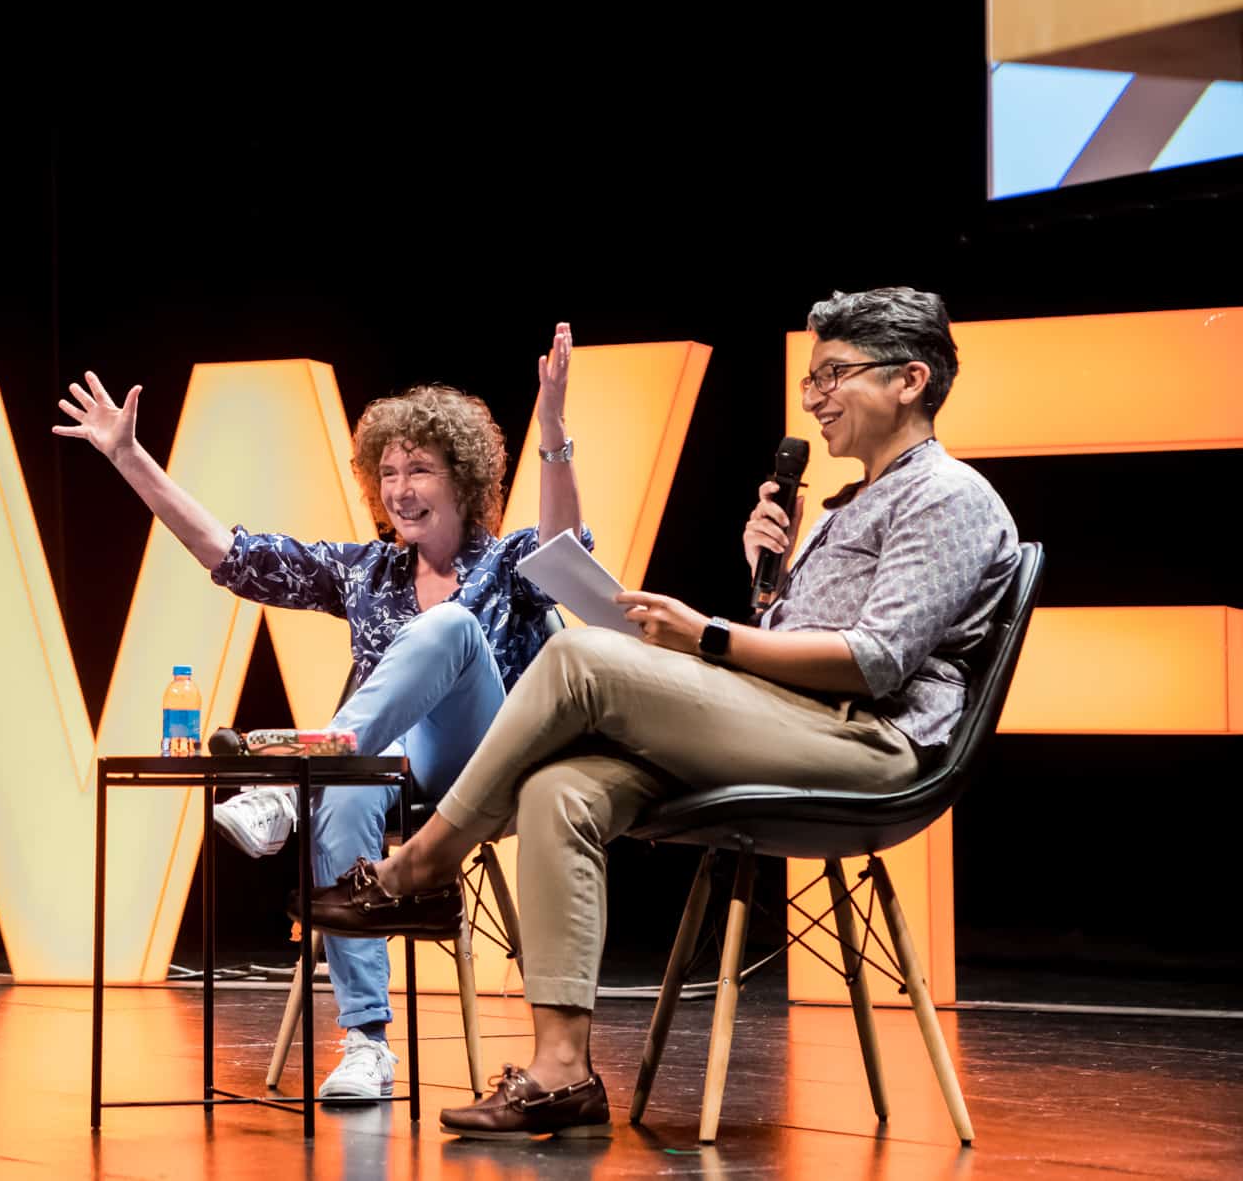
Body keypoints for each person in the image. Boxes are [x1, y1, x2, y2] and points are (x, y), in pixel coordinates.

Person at [299, 287, 1020, 1140]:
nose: (815, 396)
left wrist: (704, 633)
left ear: (910, 379)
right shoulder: (846, 505)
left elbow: (873, 662)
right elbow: (800, 651)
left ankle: (417, 870)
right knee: (560, 788)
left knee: (574, 654)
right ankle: (560, 1071)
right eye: (809, 380)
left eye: (834, 374)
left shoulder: (948, 496)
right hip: (800, 722)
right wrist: (768, 582)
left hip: (873, 748)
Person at [53, 326, 593, 1102]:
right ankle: (366, 1041)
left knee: (448, 629)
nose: (402, 487)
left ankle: (286, 785)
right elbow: (231, 556)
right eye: (390, 470)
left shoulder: (506, 562)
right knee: (343, 786)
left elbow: (570, 555)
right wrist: (129, 458)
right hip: (392, 767)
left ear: (465, 479)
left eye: (422, 469)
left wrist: (551, 427)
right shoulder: (367, 571)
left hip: (490, 766)